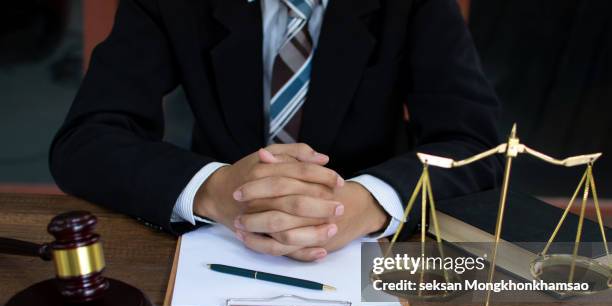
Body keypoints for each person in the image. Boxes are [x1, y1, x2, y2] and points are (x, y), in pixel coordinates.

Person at [50, 0, 503, 262]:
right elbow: (87, 139)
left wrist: (367, 202)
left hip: (370, 245)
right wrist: (213, 189)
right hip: (223, 237)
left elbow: (477, 143)